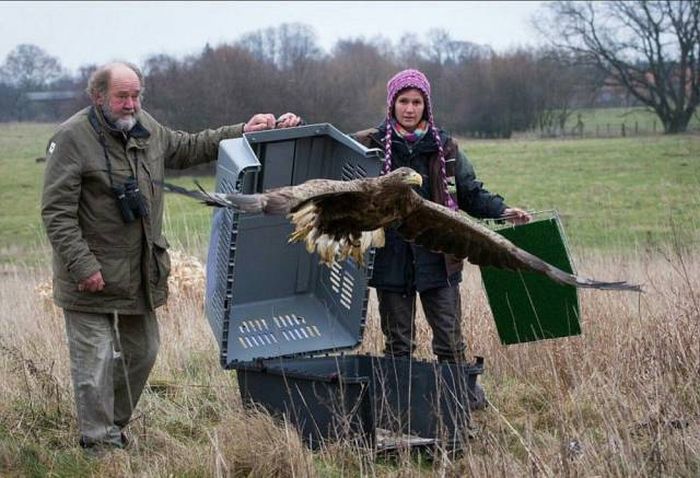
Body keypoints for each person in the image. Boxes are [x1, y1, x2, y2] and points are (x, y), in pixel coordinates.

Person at [40, 62, 301, 452]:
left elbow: (187, 146)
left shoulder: (146, 128)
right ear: (98, 97)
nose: (131, 104)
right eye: (122, 97)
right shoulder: (72, 138)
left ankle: (109, 425)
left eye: (136, 95)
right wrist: (83, 266)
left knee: (142, 353)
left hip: (138, 272)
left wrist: (243, 131)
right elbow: (56, 213)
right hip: (88, 276)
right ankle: (99, 446)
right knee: (93, 365)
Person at [353, 69, 531, 364]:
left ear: (426, 106)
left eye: (417, 102)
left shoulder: (444, 147)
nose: (410, 109)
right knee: (398, 346)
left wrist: (501, 210)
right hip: (390, 257)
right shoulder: (369, 143)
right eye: (403, 101)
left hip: (439, 256)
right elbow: (328, 154)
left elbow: (469, 192)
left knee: (450, 343)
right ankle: (400, 406)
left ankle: (456, 402)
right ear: (391, 104)